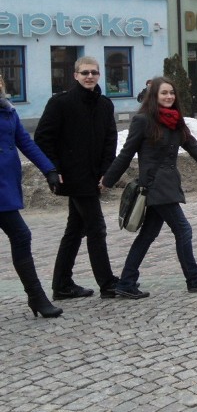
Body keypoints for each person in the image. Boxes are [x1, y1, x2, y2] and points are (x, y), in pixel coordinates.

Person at [102, 77, 197, 298]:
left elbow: (196, 150)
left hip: (167, 185)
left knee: (148, 234)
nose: (169, 97)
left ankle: (126, 282)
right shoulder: (143, 121)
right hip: (155, 186)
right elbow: (126, 154)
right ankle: (194, 279)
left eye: (172, 93)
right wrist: (107, 180)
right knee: (183, 229)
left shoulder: (176, 121)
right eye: (164, 93)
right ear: (154, 96)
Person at [34, 56, 120, 301]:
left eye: (93, 72)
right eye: (84, 73)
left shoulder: (105, 104)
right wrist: (53, 169)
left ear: (99, 75)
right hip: (73, 176)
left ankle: (62, 284)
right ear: (75, 75)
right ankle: (107, 283)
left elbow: (110, 140)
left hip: (94, 175)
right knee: (96, 228)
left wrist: (107, 169)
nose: (89, 76)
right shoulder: (60, 103)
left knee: (75, 228)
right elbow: (43, 138)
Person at [0, 75, 63, 317]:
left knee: (21, 235)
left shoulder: (8, 110)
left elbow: (25, 142)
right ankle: (37, 297)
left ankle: (36, 297)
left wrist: (49, 169)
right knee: (21, 234)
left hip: (5, 187)